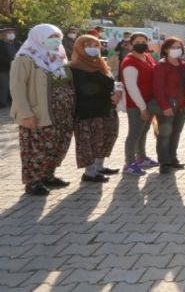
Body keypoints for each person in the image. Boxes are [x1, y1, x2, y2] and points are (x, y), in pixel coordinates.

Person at [10, 24, 75, 195]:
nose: (56, 40)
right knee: (36, 147)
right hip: (39, 113)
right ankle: (33, 181)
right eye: (51, 37)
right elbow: (17, 88)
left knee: (57, 144)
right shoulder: (25, 57)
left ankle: (48, 175)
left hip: (61, 112)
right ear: (39, 37)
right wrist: (26, 113)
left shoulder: (59, 54)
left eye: (57, 36)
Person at [69, 35, 123, 183]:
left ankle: (99, 167)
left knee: (107, 136)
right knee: (90, 141)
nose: (93, 48)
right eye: (88, 45)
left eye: (96, 45)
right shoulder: (74, 67)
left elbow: (112, 81)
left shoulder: (100, 63)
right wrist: (108, 95)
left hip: (107, 108)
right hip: (88, 110)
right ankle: (90, 172)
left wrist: (117, 93)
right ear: (80, 47)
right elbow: (84, 89)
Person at [119, 32, 158, 176]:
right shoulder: (129, 62)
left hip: (148, 103)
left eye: (144, 41)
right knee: (134, 134)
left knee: (143, 131)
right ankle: (129, 163)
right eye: (137, 41)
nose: (141, 43)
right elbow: (132, 87)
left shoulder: (147, 57)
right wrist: (142, 107)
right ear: (131, 44)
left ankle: (141, 158)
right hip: (136, 105)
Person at [151, 37, 185, 174]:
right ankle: (164, 162)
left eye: (179, 47)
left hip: (182, 106)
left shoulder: (184, 65)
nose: (176, 50)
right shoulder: (161, 66)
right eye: (173, 47)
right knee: (165, 135)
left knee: (176, 133)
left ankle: (173, 159)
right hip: (167, 106)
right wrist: (165, 106)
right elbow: (158, 89)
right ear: (166, 49)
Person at [0, 27, 21, 109]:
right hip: (4, 68)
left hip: (16, 68)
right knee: (4, 86)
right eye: (9, 32)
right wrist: (10, 61)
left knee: (16, 85)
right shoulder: (0, 44)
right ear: (4, 34)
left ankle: (14, 102)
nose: (11, 34)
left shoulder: (18, 44)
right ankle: (2, 103)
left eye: (12, 32)